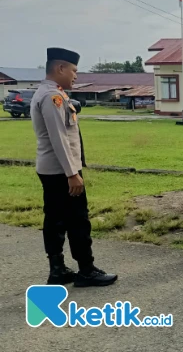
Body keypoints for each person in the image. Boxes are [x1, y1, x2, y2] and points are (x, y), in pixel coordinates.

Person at [31, 48, 117, 287]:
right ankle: (86, 270)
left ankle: (57, 270)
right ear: (60, 69)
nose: (75, 76)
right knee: (77, 220)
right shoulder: (52, 97)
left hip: (52, 169)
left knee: (56, 219)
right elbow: (59, 137)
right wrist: (72, 173)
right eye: (73, 71)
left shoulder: (51, 94)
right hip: (61, 172)